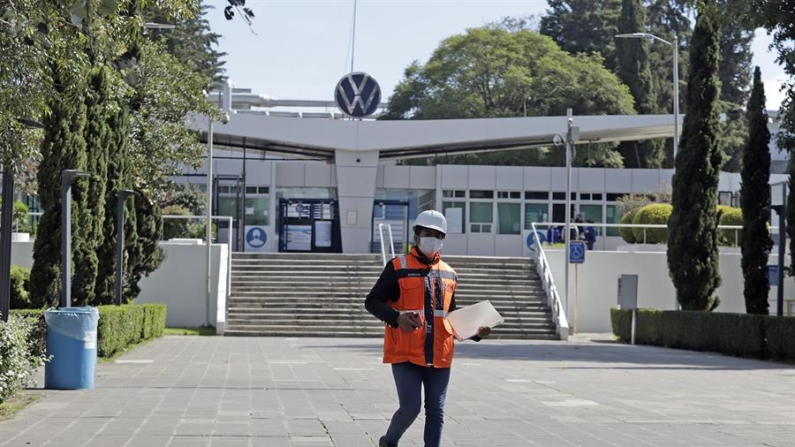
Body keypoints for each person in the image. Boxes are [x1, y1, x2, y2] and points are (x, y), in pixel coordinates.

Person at [365, 210, 491, 447]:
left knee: (436, 410)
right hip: (406, 353)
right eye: (427, 234)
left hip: (440, 354)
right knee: (410, 408)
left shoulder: (450, 273)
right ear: (416, 236)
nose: (432, 239)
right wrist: (396, 317)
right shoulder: (397, 267)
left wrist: (476, 332)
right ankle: (389, 441)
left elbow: (450, 316)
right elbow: (371, 301)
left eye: (438, 235)